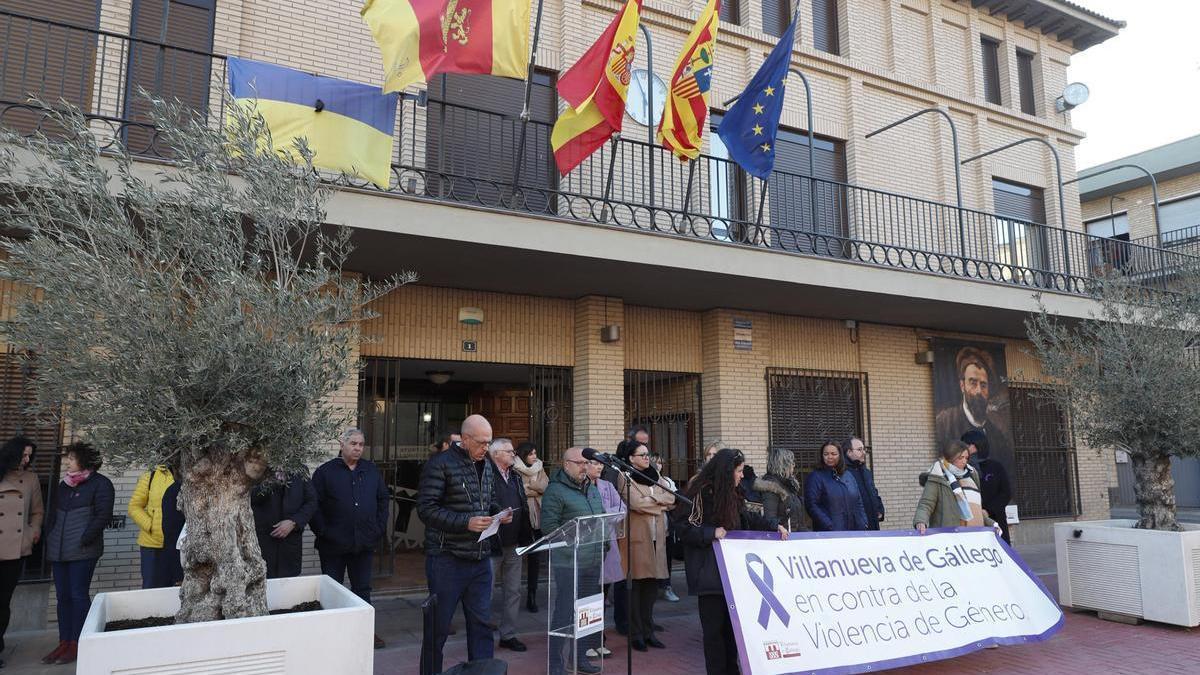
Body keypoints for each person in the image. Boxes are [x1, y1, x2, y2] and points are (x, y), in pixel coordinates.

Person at [674, 448, 788, 675]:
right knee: (714, 633)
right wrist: (710, 533)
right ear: (726, 472)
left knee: (731, 631)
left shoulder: (733, 494)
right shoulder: (700, 493)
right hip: (709, 574)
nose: (742, 476)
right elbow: (683, 529)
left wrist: (773, 525)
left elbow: (747, 517)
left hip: (732, 573)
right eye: (738, 471)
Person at [417, 414, 509, 674]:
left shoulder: (487, 464)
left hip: (480, 559)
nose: (486, 448)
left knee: (481, 626)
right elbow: (425, 509)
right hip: (447, 558)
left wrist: (499, 513)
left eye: (489, 443)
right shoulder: (440, 464)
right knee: (438, 628)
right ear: (465, 439)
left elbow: (488, 500)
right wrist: (465, 522)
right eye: (481, 442)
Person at [311, 428, 389, 650]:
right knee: (332, 590)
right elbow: (313, 505)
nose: (357, 448)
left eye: (361, 444)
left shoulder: (371, 470)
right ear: (342, 444)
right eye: (353, 443)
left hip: (363, 542)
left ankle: (364, 632)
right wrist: (324, 531)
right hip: (333, 544)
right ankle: (331, 634)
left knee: (362, 589)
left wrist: (378, 528)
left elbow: (383, 500)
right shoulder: (325, 472)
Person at [42, 442, 114, 666]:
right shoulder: (63, 485)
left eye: (71, 458)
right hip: (59, 550)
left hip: (83, 551)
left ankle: (78, 642)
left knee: (78, 595)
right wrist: (50, 536)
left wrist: (84, 539)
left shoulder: (101, 484)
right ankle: (64, 641)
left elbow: (102, 516)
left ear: (83, 460)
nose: (67, 462)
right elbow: (52, 514)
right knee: (62, 597)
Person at [540, 447, 605, 675]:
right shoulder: (555, 491)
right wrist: (574, 539)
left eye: (586, 463)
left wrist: (603, 545)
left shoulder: (592, 489)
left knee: (587, 612)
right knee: (565, 612)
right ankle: (556, 663)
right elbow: (548, 528)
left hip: (593, 560)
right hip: (568, 562)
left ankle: (579, 659)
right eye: (579, 463)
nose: (584, 467)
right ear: (565, 464)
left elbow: (602, 520)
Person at [613, 439, 675, 652]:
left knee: (651, 587)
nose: (647, 458)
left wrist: (650, 498)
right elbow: (635, 503)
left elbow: (671, 498)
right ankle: (636, 634)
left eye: (647, 454)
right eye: (642, 455)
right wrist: (658, 503)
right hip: (637, 538)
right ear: (631, 458)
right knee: (636, 587)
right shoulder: (623, 476)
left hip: (657, 536)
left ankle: (649, 632)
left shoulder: (655, 475)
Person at [0, 437, 43, 668]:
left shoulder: (31, 479)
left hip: (14, 548)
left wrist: (32, 531)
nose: (26, 460)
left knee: (3, 601)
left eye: (29, 456)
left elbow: (37, 511)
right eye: (23, 455)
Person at [934, 347, 1013, 472]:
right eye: (973, 383)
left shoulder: (997, 436)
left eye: (983, 385)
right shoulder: (944, 424)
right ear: (962, 386)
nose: (978, 391)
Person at [488, 438, 533, 653]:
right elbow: (483, 503)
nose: (514, 454)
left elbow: (522, 504)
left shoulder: (514, 476)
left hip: (515, 542)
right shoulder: (485, 474)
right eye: (509, 451)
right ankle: (482, 636)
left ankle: (508, 635)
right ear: (496, 454)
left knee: (513, 590)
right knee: (484, 592)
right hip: (492, 543)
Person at [914, 440, 1002, 535]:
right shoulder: (938, 476)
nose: (964, 461)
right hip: (948, 536)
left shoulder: (971, 475)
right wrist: (921, 521)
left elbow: (975, 508)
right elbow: (926, 504)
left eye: (966, 458)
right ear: (951, 458)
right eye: (960, 458)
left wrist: (992, 524)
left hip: (974, 536)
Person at [251, 469, 318, 578]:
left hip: (290, 547)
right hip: (263, 544)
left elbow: (312, 501)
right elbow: (251, 497)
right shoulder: (257, 466)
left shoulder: (300, 470)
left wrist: (294, 522)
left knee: (288, 587)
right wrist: (272, 481)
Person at [587, 456, 622, 660]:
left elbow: (621, 510)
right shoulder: (581, 486)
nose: (599, 467)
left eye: (601, 464)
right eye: (595, 463)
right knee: (588, 597)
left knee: (602, 596)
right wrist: (605, 515)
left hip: (608, 545)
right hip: (587, 547)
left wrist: (601, 514)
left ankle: (599, 639)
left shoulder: (608, 485)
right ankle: (587, 641)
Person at [128, 461, 180, 588]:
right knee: (152, 589)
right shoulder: (150, 475)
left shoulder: (189, 474)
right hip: (153, 546)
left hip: (180, 545)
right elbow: (134, 507)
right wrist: (151, 526)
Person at [513, 441, 548, 613]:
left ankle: (531, 595)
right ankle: (513, 595)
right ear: (523, 454)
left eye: (535, 453)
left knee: (535, 558)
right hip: (521, 517)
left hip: (538, 517)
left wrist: (530, 487)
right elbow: (517, 491)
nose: (535, 456)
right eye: (531, 453)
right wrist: (536, 489)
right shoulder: (513, 468)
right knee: (515, 558)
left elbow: (545, 487)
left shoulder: (540, 467)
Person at [961, 429, 1013, 543]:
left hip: (995, 521)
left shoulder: (995, 467)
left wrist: (987, 511)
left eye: (964, 445)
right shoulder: (961, 469)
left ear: (974, 446)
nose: (961, 449)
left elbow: (1006, 493)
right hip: (970, 523)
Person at [804, 441, 868, 532]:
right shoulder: (816, 476)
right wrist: (829, 525)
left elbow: (858, 501)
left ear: (840, 455)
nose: (830, 457)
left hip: (855, 531)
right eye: (826, 454)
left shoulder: (848, 475)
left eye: (833, 454)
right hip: (830, 533)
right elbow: (812, 505)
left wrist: (863, 522)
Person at [755, 447, 809, 533]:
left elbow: (798, 520)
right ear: (783, 465)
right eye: (791, 462)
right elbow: (769, 519)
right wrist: (778, 527)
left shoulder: (788, 486)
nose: (793, 465)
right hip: (782, 540)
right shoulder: (771, 487)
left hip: (794, 537)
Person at [842, 437, 885, 531]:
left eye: (864, 449)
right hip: (855, 527)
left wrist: (880, 509)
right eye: (859, 450)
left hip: (873, 524)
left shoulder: (866, 472)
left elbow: (874, 493)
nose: (864, 453)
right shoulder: (843, 473)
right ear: (849, 452)